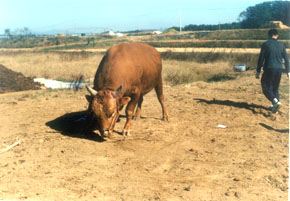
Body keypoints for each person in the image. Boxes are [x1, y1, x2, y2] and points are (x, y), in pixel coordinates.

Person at [256, 29, 290, 113]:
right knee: (275, 88)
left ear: (269, 35)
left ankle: (275, 101)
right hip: (279, 69)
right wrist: (288, 71)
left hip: (269, 68)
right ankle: (276, 106)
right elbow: (286, 59)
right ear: (277, 36)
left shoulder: (265, 44)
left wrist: (258, 70)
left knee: (265, 86)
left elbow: (261, 58)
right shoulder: (281, 45)